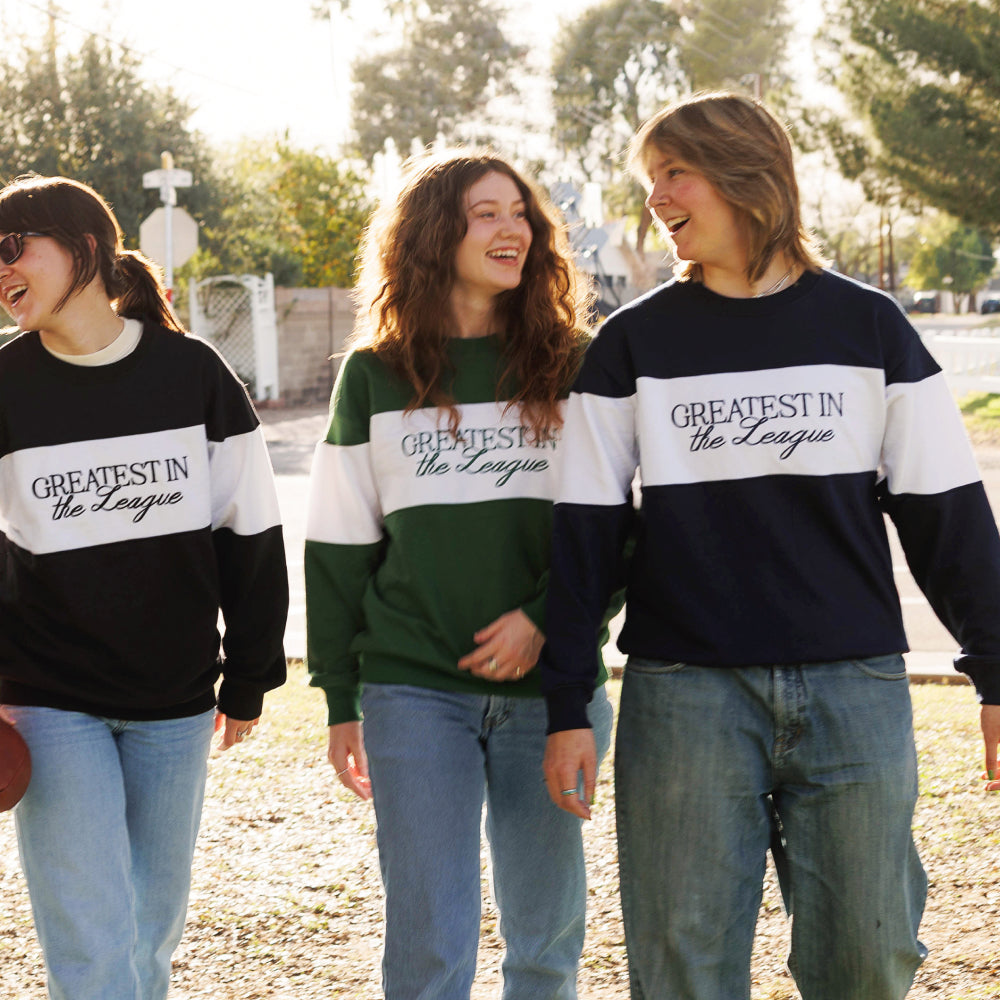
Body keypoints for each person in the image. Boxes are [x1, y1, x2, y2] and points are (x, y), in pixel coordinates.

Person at [540, 91, 1000, 1000]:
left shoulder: (871, 330)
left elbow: (948, 514)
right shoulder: (631, 345)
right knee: (682, 970)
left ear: (744, 174)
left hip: (853, 689)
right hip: (685, 697)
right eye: (650, 180)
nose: (656, 200)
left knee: (868, 962)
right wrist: (566, 699)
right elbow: (583, 537)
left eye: (674, 173)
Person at [304, 149, 616, 1000]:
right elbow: (337, 546)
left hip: (553, 692)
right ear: (435, 233)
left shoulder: (579, 366)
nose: (511, 227)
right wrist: (340, 696)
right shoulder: (375, 375)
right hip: (414, 690)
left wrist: (548, 619)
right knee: (430, 943)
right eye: (485, 212)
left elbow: (623, 530)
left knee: (545, 937)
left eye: (520, 212)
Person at [0, 175, 288, 1000]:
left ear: (84, 247)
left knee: (149, 940)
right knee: (93, 949)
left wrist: (252, 673)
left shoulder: (192, 373)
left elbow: (251, 532)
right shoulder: (5, 387)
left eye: (13, 247)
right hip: (49, 698)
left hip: (175, 700)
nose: (0, 269)